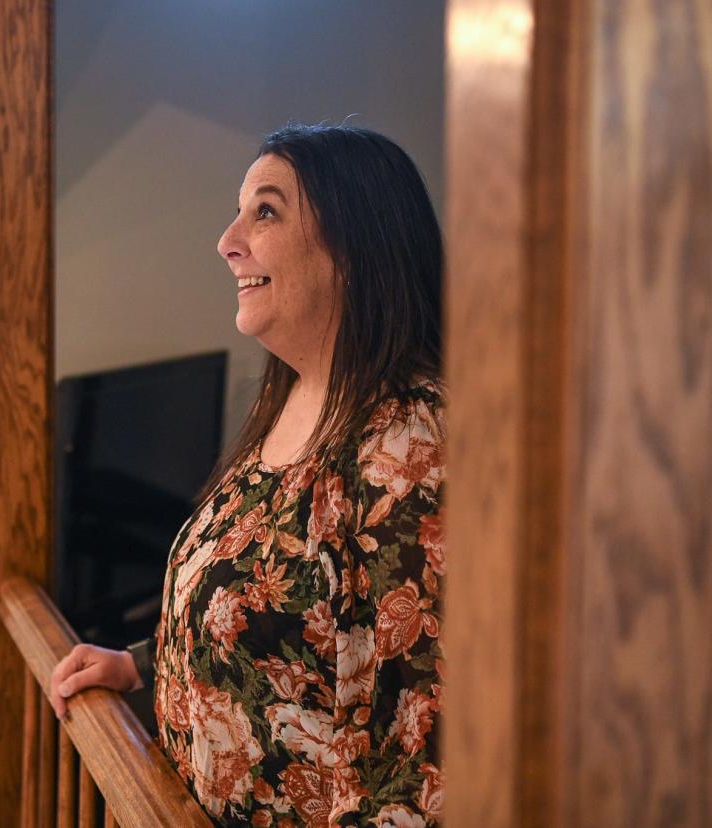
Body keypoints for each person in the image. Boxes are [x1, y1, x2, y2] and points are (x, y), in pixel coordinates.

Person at [48, 123, 446, 827]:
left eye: (265, 211)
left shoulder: (413, 448)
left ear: (355, 247)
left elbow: (425, 760)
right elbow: (284, 619)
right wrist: (148, 664)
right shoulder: (293, 394)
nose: (228, 240)